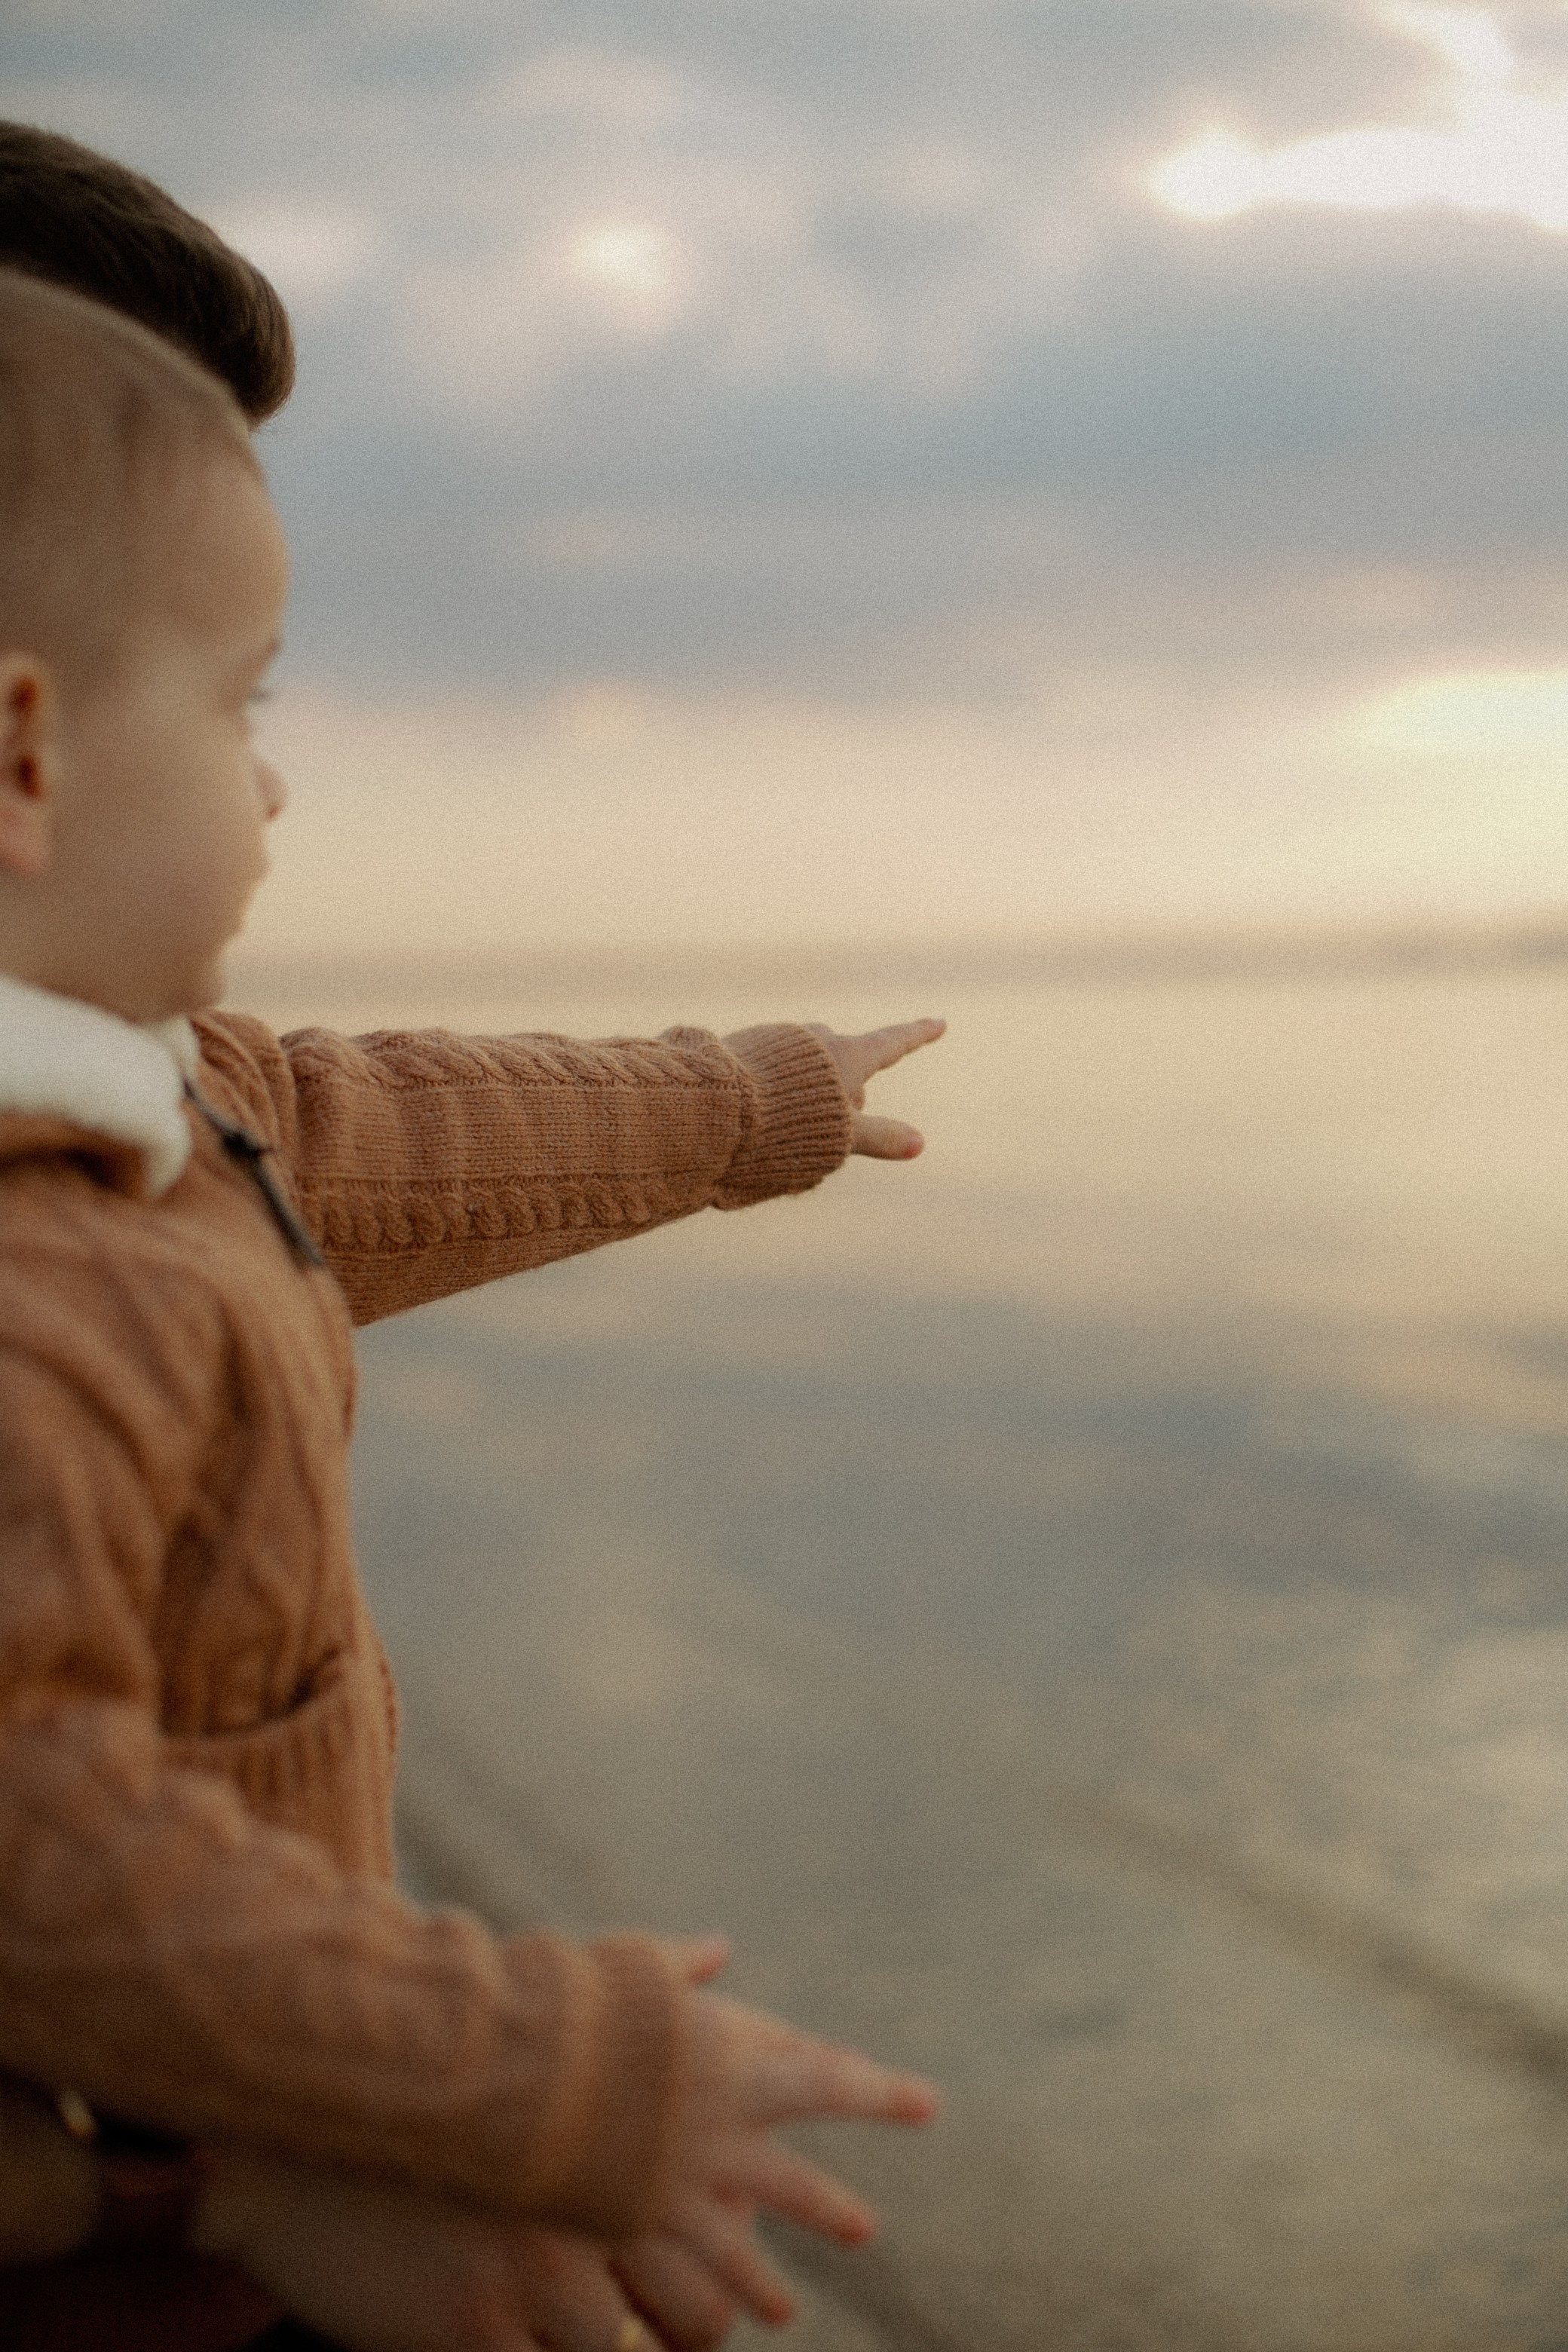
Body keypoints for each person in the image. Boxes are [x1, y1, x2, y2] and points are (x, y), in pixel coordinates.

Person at [0, 192, 942, 2352]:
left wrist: (750, 1102)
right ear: (27, 754)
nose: (279, 782)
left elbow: (385, 1135)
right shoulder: (34, 1286)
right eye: (239, 707)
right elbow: (38, 1852)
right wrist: (541, 2086)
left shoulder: (152, 1099)